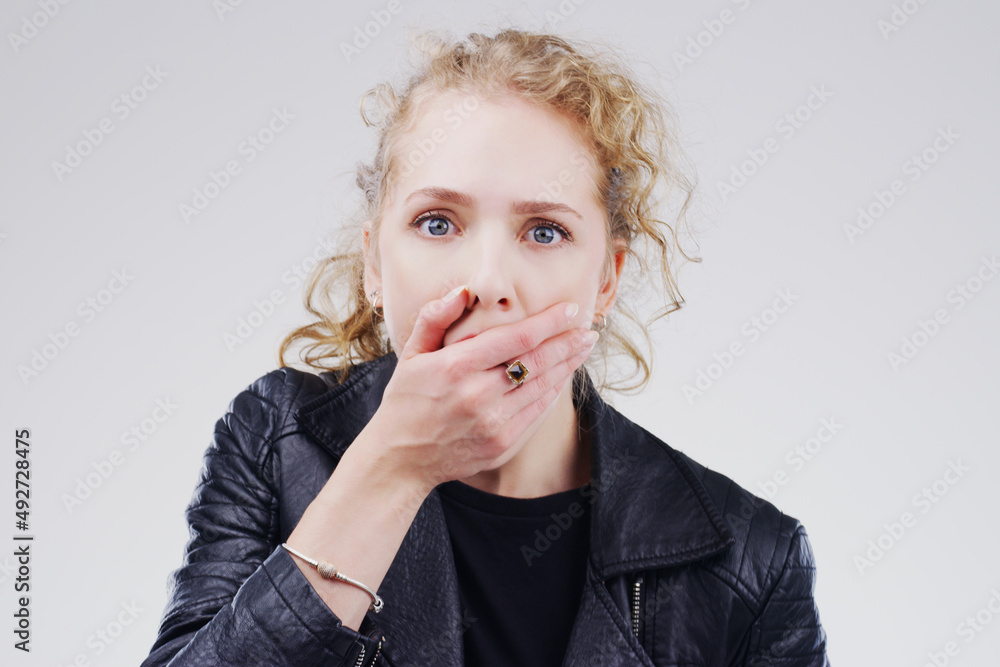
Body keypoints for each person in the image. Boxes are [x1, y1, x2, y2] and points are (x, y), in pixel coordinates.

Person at [142, 27, 829, 667]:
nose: (487, 280)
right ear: (374, 265)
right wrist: (393, 466)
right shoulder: (274, 439)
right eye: (437, 222)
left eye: (545, 231)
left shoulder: (754, 558)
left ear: (607, 280)